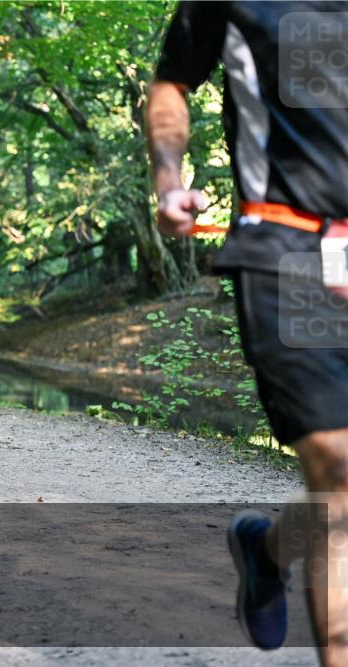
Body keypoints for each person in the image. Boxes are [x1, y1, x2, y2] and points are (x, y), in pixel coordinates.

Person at [147, 3, 347, 664]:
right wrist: (169, 177)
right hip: (291, 252)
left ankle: (267, 550)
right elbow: (173, 80)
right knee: (341, 470)